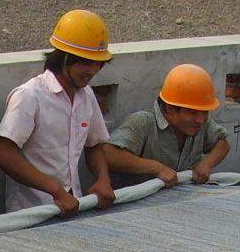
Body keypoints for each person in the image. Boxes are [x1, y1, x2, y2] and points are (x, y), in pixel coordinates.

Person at [0, 9, 118, 215]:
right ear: (64, 59)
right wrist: (55, 191)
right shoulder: (30, 95)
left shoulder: (86, 96)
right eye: (85, 63)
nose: (92, 71)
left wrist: (103, 179)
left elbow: (94, 145)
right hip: (32, 212)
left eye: (98, 64)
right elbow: (6, 155)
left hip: (72, 206)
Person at [99, 64, 231, 187]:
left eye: (205, 112)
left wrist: (207, 164)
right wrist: (156, 168)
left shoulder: (200, 123)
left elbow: (222, 143)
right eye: (192, 113)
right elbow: (108, 154)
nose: (201, 120)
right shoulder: (143, 122)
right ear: (169, 109)